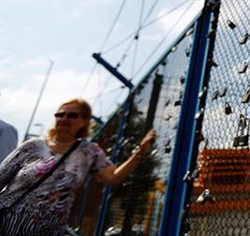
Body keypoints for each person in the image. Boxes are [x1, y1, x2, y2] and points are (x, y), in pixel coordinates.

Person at [0, 98, 156, 236]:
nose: (64, 118)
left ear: (84, 121)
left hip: (47, 229)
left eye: (72, 115)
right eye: (60, 115)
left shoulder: (89, 152)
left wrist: (138, 154)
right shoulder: (32, 146)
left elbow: (112, 176)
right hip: (6, 221)